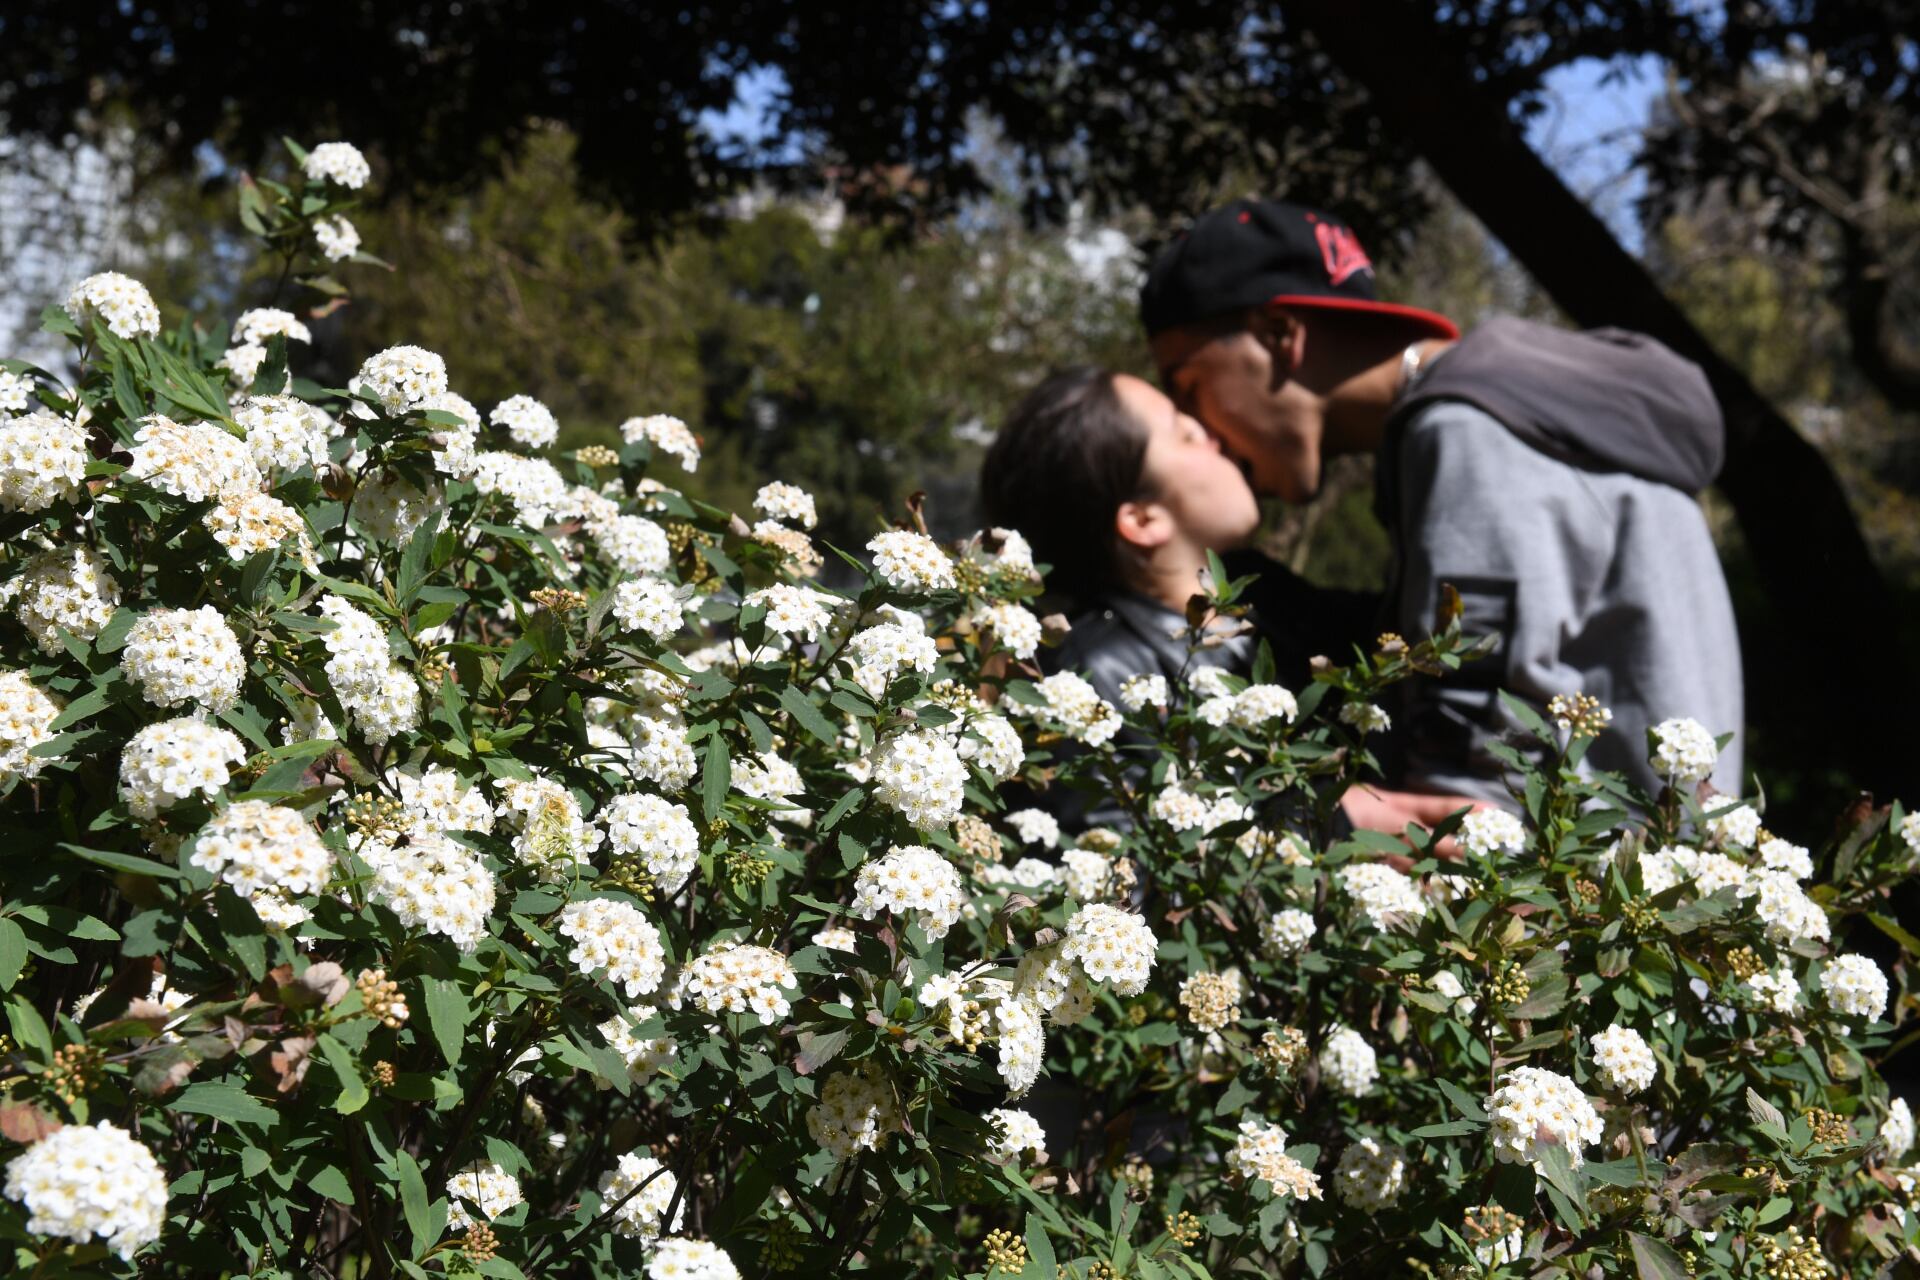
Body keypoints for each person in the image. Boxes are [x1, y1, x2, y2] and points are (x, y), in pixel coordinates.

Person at [1139, 198, 1744, 802]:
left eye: (1189, 385)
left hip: (1583, 887)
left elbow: (1477, 772)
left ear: (1278, 335)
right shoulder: (1528, 413)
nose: (1199, 428)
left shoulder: (1466, 433)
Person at [980, 364, 1474, 839]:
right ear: (1145, 519)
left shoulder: (1267, 599)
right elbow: (1118, 901)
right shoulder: (1092, 680)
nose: (1215, 435)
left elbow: (1405, 640)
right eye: (1186, 434)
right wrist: (1326, 824)